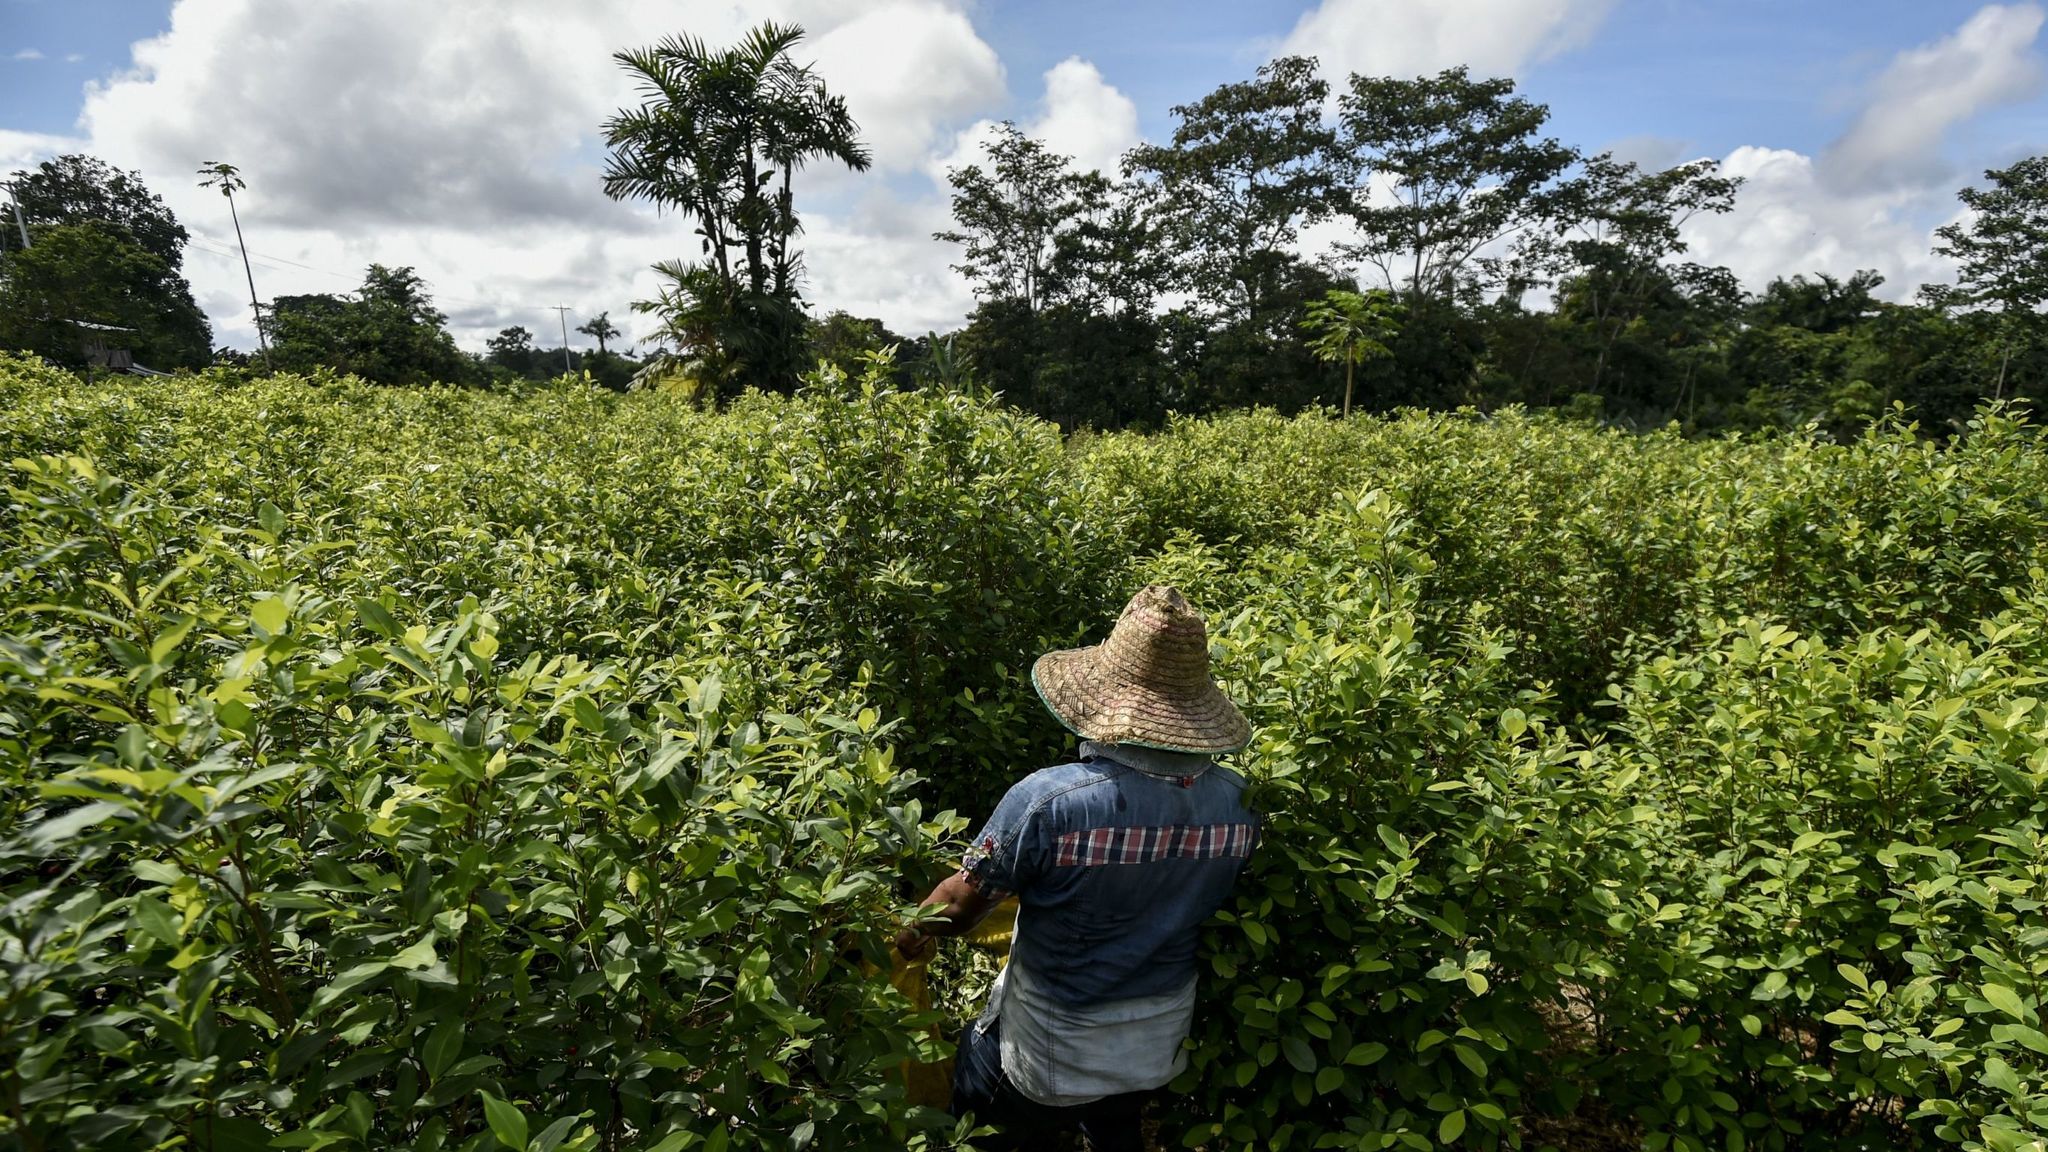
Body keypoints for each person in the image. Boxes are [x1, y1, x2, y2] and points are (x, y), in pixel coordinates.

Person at [895, 585, 1260, 1151]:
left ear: (1102, 703)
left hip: (1050, 1051)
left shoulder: (1050, 802)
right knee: (1115, 1120)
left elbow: (963, 905)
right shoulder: (1240, 802)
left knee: (974, 1110)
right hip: (1156, 1039)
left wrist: (910, 931)